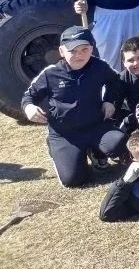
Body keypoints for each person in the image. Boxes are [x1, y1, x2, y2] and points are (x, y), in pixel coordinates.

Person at [22, 26, 127, 187]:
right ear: (62, 51)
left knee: (119, 142)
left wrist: (109, 101)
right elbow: (29, 96)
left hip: (95, 125)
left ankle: (96, 152)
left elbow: (116, 82)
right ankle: (58, 148)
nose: (79, 55)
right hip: (65, 133)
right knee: (73, 180)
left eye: (85, 49)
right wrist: (29, 107)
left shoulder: (100, 66)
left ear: (92, 48)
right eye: (72, 51)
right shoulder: (50, 73)